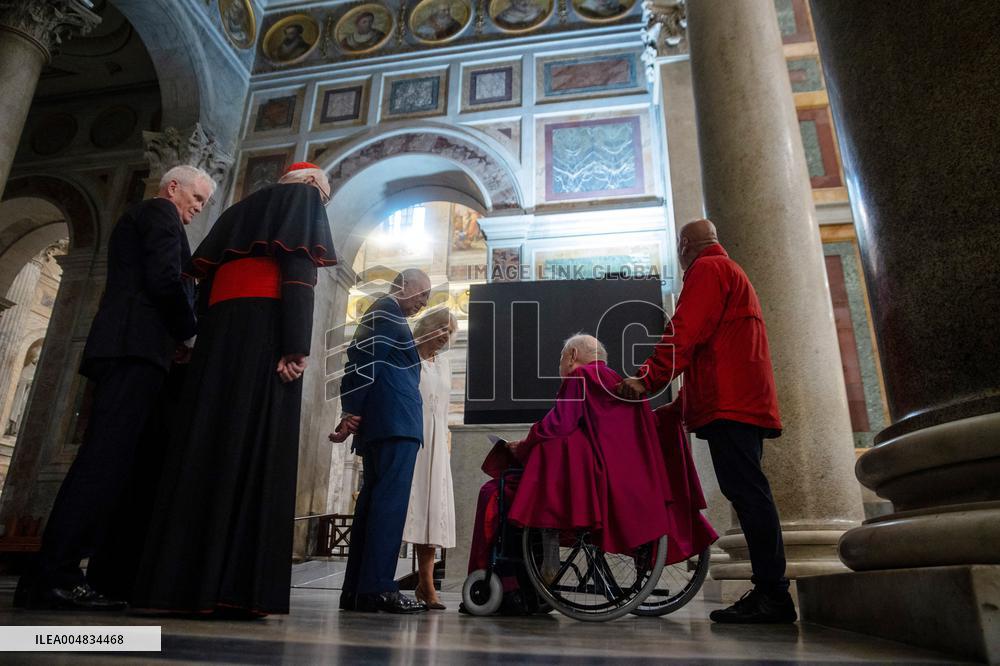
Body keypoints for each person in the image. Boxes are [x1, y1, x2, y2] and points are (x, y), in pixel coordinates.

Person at [130, 162, 337, 617]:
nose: (322, 204)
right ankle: (235, 589)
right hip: (264, 335)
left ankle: (177, 584)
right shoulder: (300, 200)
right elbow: (298, 273)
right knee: (253, 448)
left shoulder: (239, 210)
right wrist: (295, 345)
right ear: (307, 185)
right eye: (324, 194)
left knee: (203, 449)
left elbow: (203, 281)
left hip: (219, 340)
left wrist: (199, 339)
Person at [15, 165, 215, 610]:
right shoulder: (161, 213)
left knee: (106, 461)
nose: (198, 209)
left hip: (130, 349)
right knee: (102, 463)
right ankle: (56, 577)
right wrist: (189, 332)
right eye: (197, 198)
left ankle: (47, 577)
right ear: (174, 187)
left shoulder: (146, 216)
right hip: (134, 350)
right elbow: (165, 280)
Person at [618, 218, 795, 624]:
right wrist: (676, 410)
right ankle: (771, 591)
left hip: (731, 406)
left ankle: (773, 594)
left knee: (749, 494)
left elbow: (685, 333)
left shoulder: (708, 270)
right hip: (738, 402)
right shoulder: (729, 271)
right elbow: (714, 354)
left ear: (684, 247)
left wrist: (647, 378)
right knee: (749, 493)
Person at [467, 335, 715, 589]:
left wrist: (523, 445)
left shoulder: (580, 377)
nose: (560, 365)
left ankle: (530, 558)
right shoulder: (620, 384)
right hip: (624, 479)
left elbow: (559, 424)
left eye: (561, 358)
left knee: (500, 487)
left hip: (587, 480)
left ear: (573, 355)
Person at [329, 268, 431, 614]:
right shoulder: (386, 311)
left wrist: (353, 410)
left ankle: (358, 590)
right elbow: (361, 361)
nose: (423, 303)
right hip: (394, 423)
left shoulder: (383, 313)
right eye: (421, 294)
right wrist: (350, 410)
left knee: (373, 507)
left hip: (386, 422)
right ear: (402, 287)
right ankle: (377, 589)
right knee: (387, 508)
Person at [401, 307, 457, 610]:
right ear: (426, 327)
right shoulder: (408, 356)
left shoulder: (446, 364)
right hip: (411, 435)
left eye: (450, 331)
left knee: (432, 511)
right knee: (408, 506)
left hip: (436, 442)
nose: (445, 335)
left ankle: (427, 584)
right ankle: (386, 580)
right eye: (441, 328)